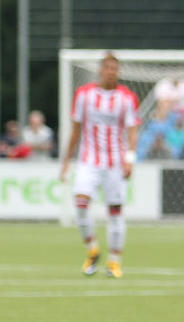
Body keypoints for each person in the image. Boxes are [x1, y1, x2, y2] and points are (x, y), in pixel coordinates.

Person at [59, 52, 140, 278]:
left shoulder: (127, 98)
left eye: (114, 69)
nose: (110, 72)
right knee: (80, 204)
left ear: (118, 72)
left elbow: (132, 130)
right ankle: (92, 248)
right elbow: (75, 130)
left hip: (115, 162)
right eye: (107, 68)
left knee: (115, 212)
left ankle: (114, 261)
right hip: (88, 160)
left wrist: (130, 158)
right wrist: (66, 161)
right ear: (100, 70)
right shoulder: (83, 95)